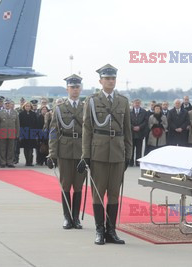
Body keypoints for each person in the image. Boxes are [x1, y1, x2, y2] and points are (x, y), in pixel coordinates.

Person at [77, 64, 131, 245]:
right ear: (100, 81)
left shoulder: (123, 101)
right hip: (98, 153)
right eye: (107, 78)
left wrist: (128, 153)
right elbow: (87, 129)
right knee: (98, 193)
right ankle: (99, 230)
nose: (111, 81)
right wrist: (86, 155)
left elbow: (127, 130)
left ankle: (111, 231)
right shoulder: (92, 101)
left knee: (114, 194)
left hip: (117, 153)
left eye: (113, 78)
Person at [48, 74, 85, 229]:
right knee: (65, 185)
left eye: (77, 87)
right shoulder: (60, 108)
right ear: (67, 89)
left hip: (82, 151)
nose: (75, 90)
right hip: (64, 150)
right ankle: (66, 217)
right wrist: (52, 153)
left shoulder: (86, 108)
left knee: (78, 186)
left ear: (80, 88)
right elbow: (53, 132)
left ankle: (76, 217)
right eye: (72, 87)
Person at [0, 98, 20, 167]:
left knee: (11, 149)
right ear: (4, 104)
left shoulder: (15, 113)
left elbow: (17, 124)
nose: (7, 105)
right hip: (2, 134)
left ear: (11, 104)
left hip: (12, 134)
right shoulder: (0, 113)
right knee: (2, 149)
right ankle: (3, 162)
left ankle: (10, 162)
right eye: (6, 103)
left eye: (8, 103)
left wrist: (17, 133)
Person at [19, 102, 38, 166]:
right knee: (25, 148)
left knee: (31, 148)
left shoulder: (33, 114)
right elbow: (20, 124)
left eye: (29, 106)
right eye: (26, 106)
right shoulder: (21, 114)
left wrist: (36, 133)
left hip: (32, 133)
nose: (28, 107)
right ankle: (27, 161)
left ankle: (30, 161)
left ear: (31, 107)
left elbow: (36, 124)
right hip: (24, 133)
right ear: (24, 107)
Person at [130, 99, 147, 167]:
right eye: (135, 103)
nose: (137, 104)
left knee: (139, 149)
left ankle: (138, 162)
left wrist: (139, 127)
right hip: (131, 133)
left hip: (140, 133)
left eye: (138, 103)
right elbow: (127, 121)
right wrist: (132, 127)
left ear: (140, 104)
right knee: (131, 149)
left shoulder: (144, 112)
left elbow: (145, 121)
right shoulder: (129, 111)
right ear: (133, 104)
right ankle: (130, 162)